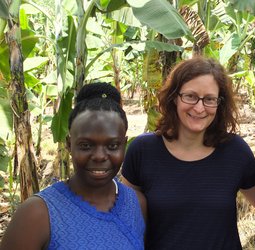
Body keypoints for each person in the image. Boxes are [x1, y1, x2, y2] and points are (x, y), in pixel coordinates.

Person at [121, 56, 255, 250]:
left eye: (209, 99)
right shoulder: (143, 150)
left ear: (220, 104)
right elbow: (124, 217)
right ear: (174, 97)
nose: (200, 107)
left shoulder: (235, 151)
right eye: (191, 96)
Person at [0, 82, 146, 250]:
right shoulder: (37, 214)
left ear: (124, 145)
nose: (99, 156)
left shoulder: (136, 204)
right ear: (69, 145)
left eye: (112, 146)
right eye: (86, 145)